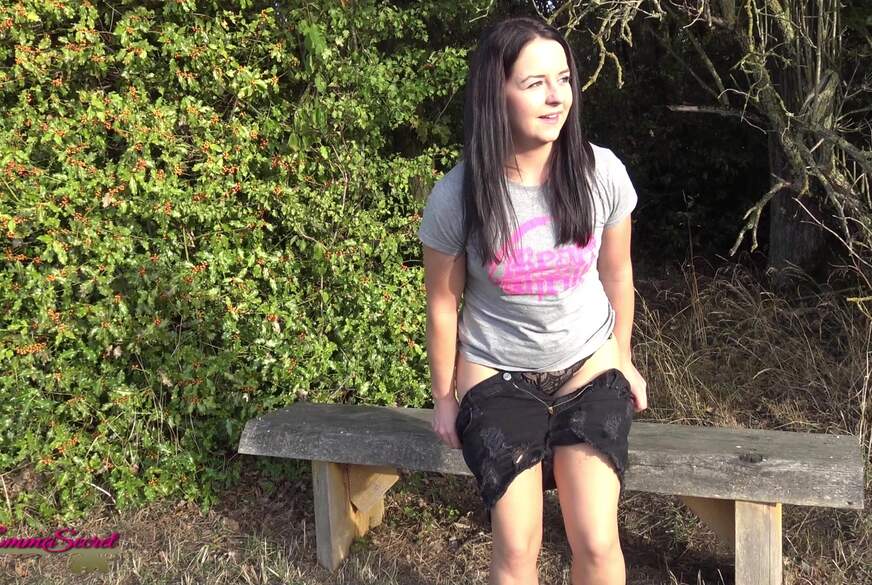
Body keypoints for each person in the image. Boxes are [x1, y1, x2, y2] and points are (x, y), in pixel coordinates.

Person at [417, 15, 648, 585]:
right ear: (495, 93)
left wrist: (623, 356)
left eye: (563, 79)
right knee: (518, 547)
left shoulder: (601, 172)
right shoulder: (458, 195)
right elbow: (443, 303)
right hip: (498, 375)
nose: (556, 97)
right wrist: (443, 397)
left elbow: (618, 272)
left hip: (588, 366)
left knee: (597, 540)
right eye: (534, 83)